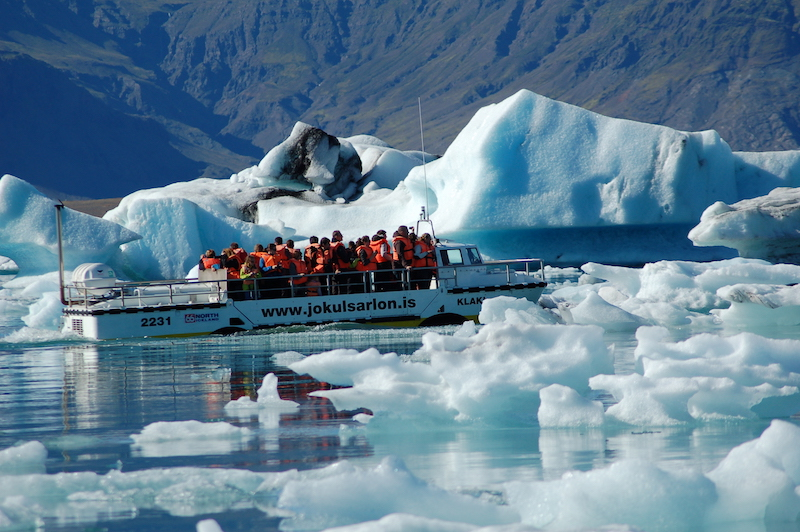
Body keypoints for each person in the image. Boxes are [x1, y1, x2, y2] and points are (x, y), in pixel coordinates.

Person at [392, 225, 414, 289]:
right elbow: (400, 254)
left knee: (406, 281)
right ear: (401, 232)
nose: (407, 233)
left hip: (404, 265)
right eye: (406, 231)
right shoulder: (399, 242)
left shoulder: (405, 240)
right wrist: (406, 265)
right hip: (399, 264)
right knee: (400, 282)